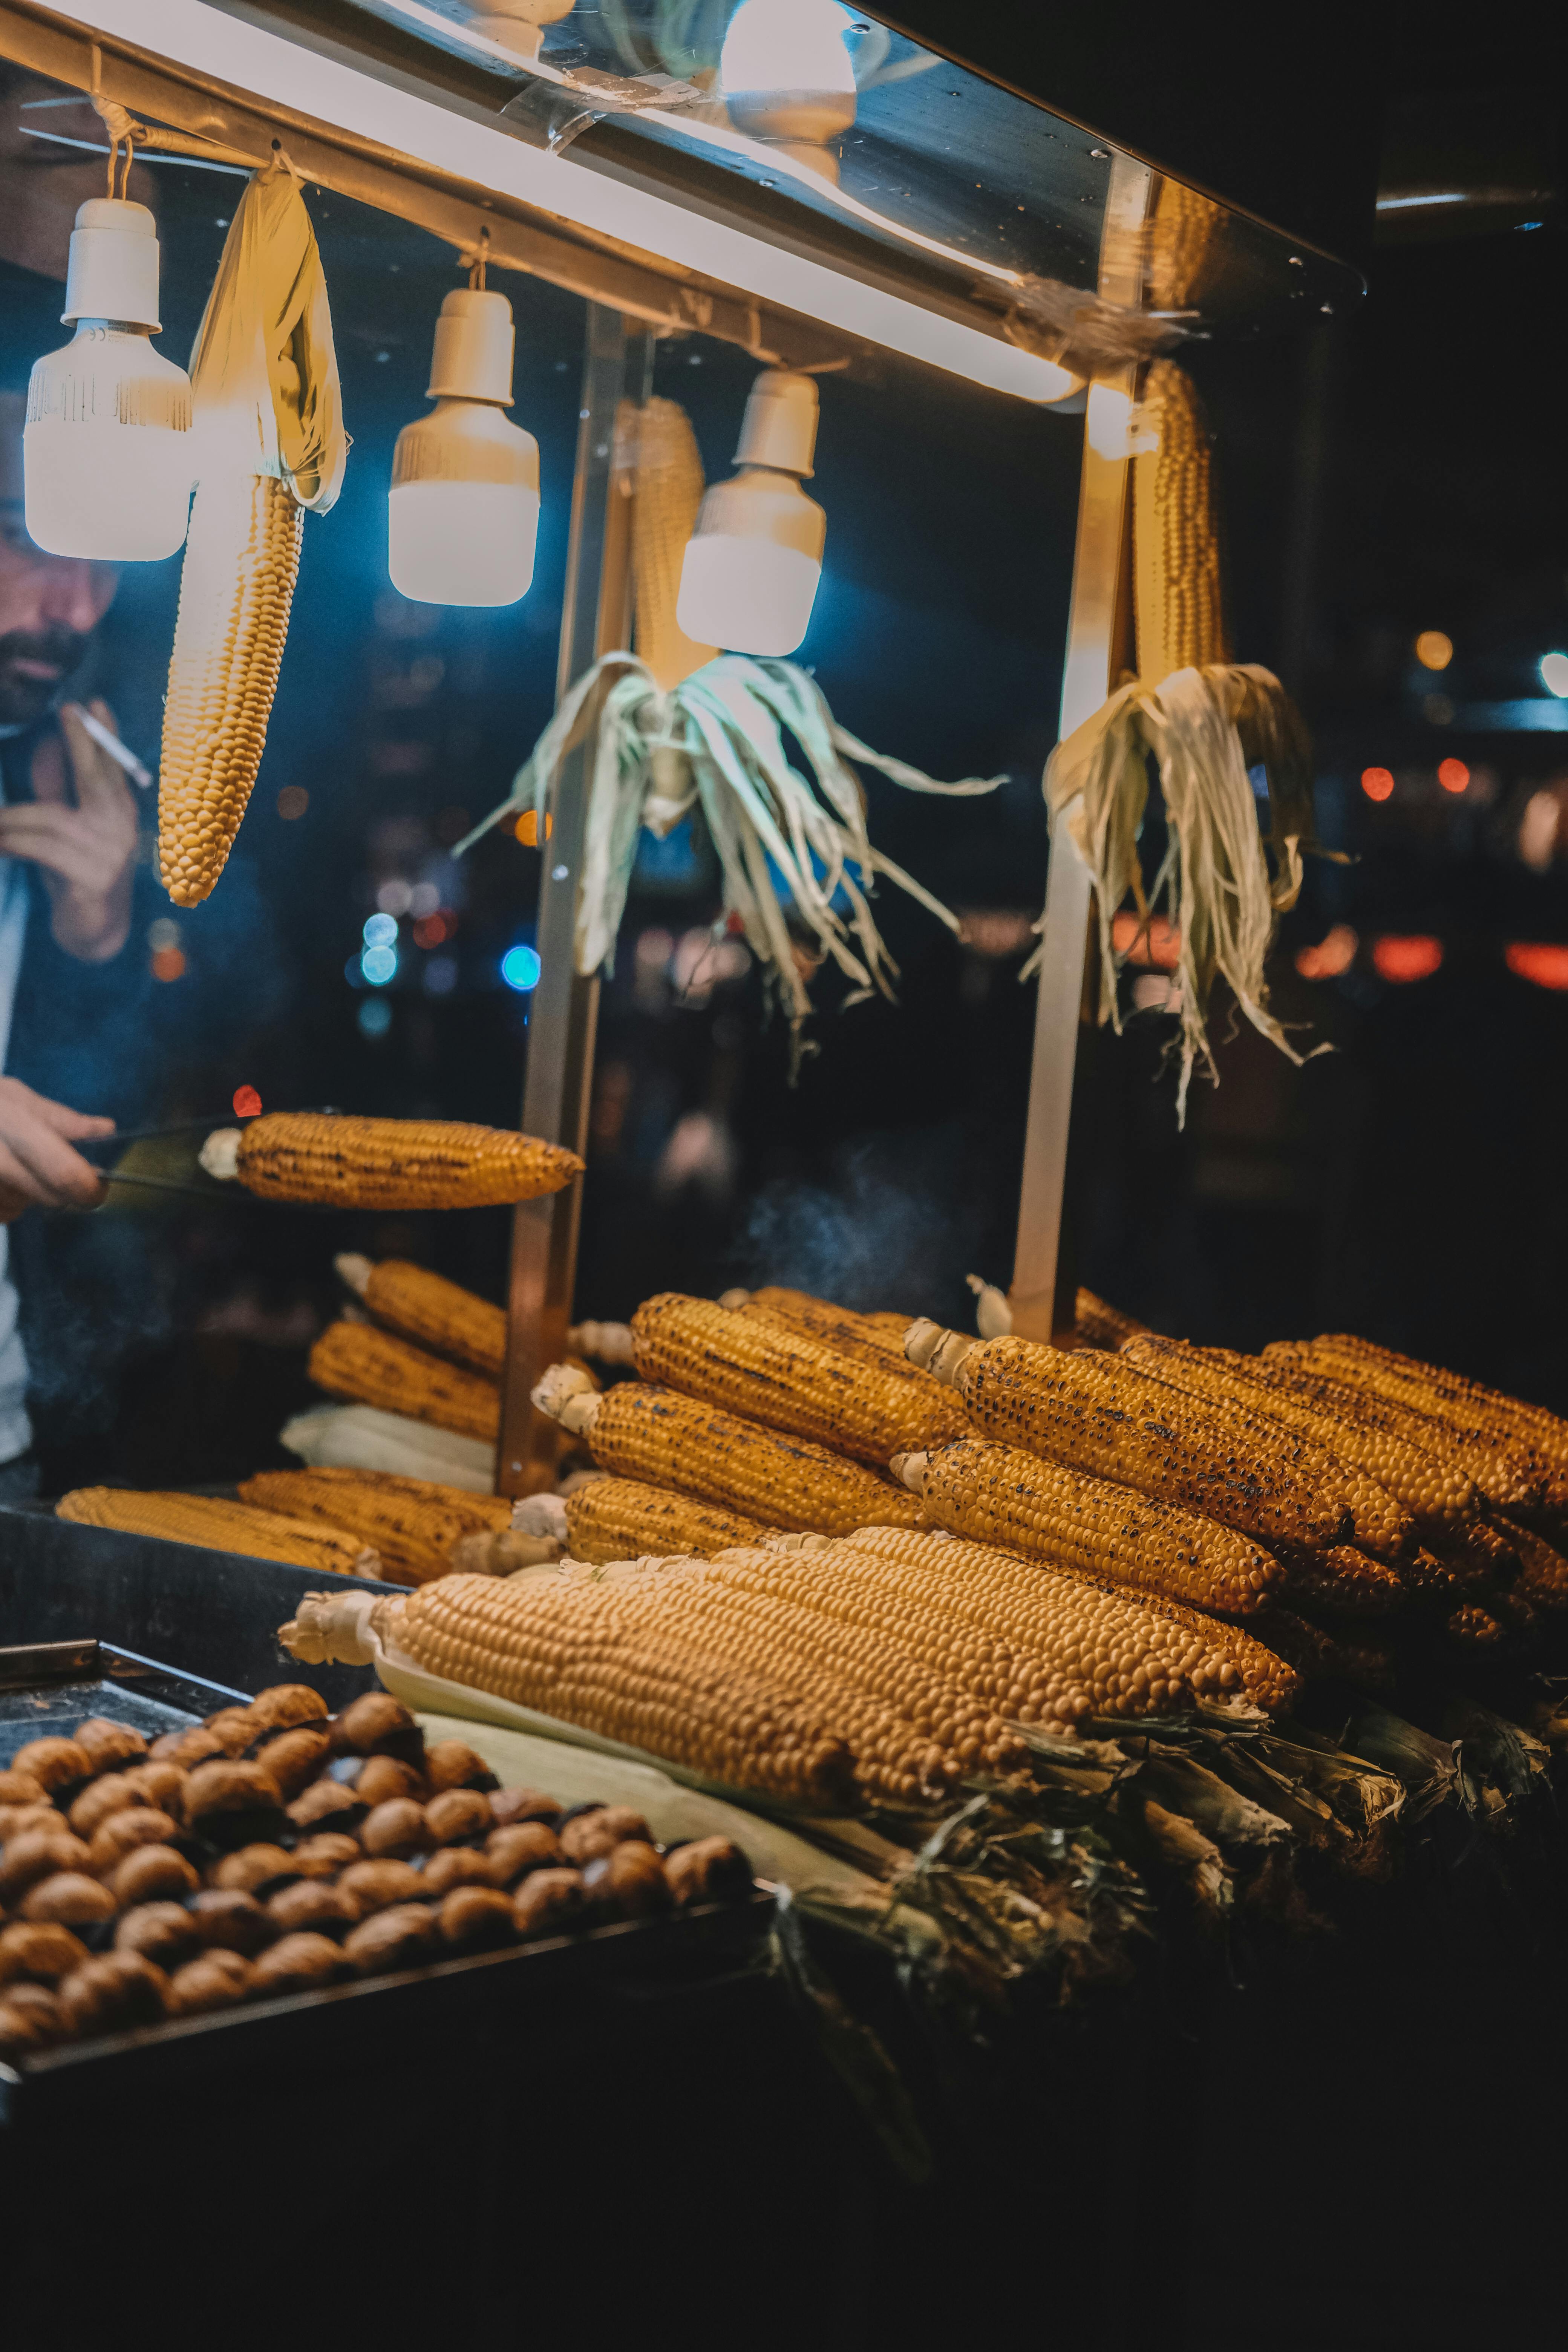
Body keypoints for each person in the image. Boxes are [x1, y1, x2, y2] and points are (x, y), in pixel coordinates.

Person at [0, 390, 151, 1496]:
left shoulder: (44, 747)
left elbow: (66, 1097)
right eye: (29, 536)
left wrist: (91, 934)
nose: (76, 604)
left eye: (106, 561)